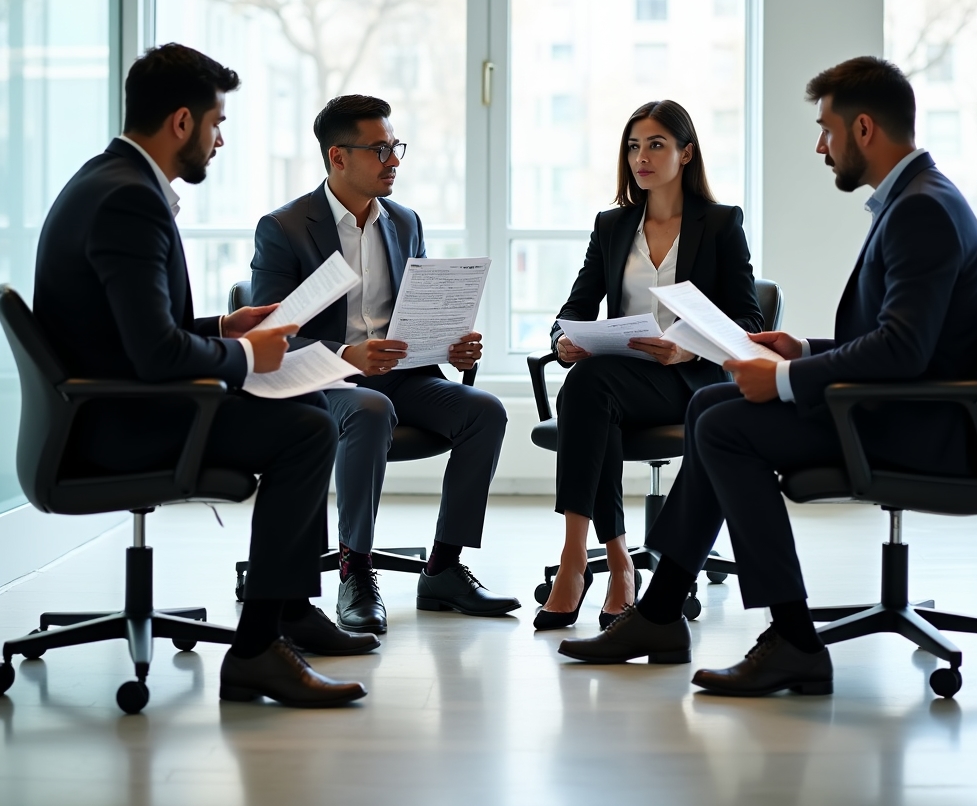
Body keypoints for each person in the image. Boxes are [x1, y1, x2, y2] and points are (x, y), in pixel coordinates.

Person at [557, 57, 977, 695]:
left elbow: (901, 351)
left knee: (726, 425)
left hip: (912, 424)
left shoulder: (919, 210)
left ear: (863, 129)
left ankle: (792, 636)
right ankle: (659, 614)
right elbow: (903, 341)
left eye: (826, 130)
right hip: (895, 404)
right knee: (713, 413)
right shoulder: (916, 198)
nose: (821, 146)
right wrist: (802, 347)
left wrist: (787, 378)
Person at [33, 43, 378, 709]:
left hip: (104, 406)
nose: (220, 141)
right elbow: (156, 357)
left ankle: (288, 613)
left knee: (304, 418)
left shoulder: (107, 181)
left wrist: (226, 329)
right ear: (183, 123)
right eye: (218, 124)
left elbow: (133, 332)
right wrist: (254, 359)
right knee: (305, 432)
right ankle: (258, 651)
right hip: (115, 426)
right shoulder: (129, 201)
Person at [251, 94, 520, 635]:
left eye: (395, 147)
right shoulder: (285, 228)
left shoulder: (403, 221)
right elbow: (271, 334)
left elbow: (413, 312)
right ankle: (355, 569)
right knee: (370, 409)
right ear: (337, 157)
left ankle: (443, 569)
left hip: (403, 375)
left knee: (484, 412)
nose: (394, 160)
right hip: (324, 380)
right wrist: (347, 355)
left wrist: (450, 344)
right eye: (380, 149)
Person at [535, 100, 762, 631]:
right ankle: (615, 563)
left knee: (586, 393)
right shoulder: (613, 226)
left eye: (657, 144)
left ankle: (578, 564)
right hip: (619, 376)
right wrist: (564, 340)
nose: (642, 156)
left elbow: (748, 320)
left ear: (686, 154)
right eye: (634, 146)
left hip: (688, 378)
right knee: (589, 385)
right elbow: (575, 307)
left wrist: (687, 347)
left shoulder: (721, 223)